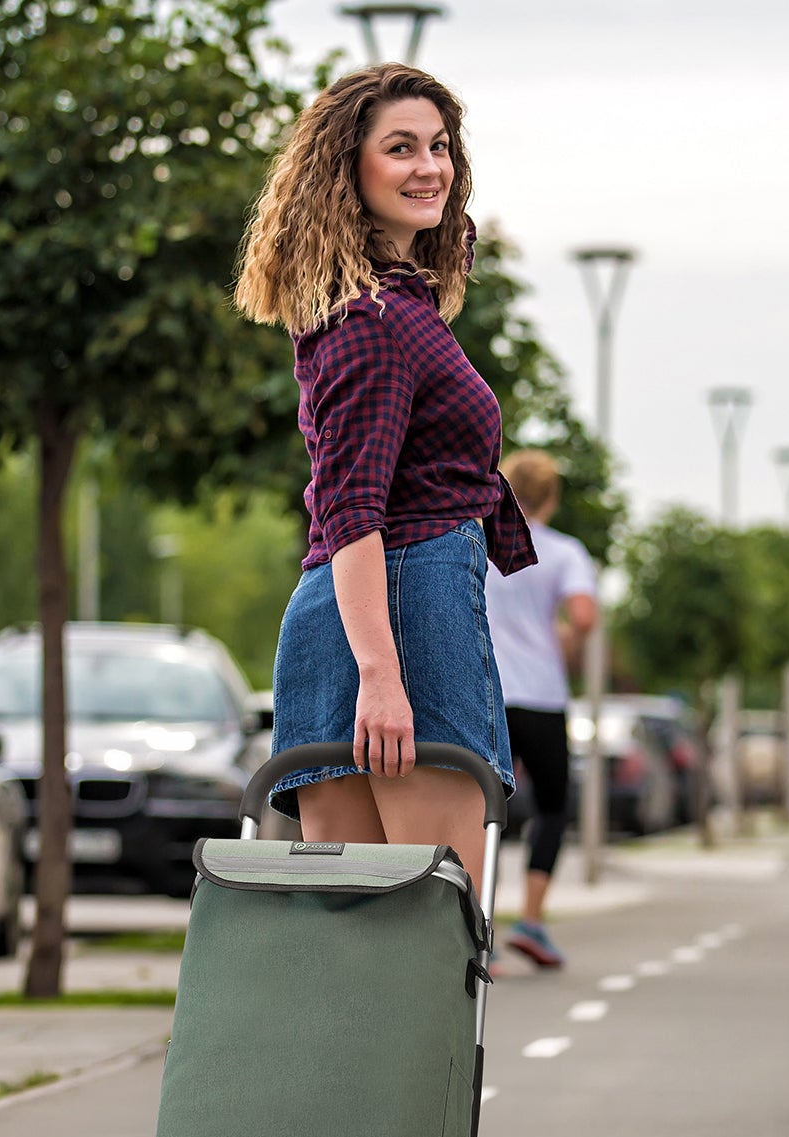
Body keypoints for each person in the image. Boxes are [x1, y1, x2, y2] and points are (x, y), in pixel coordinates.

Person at [235, 64, 535, 890]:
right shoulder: (374, 320)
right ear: (349, 169)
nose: (429, 167)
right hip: (404, 615)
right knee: (437, 930)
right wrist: (381, 675)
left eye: (439, 147)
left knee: (359, 956)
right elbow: (352, 507)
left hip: (354, 616)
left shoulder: (380, 306)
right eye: (400, 148)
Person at [483, 449, 597, 968]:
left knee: (487, 811)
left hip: (484, 691)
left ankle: (478, 933)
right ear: (551, 496)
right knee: (552, 807)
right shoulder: (565, 552)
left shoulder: (479, 540)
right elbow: (584, 615)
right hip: (543, 697)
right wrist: (565, 644)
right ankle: (531, 919)